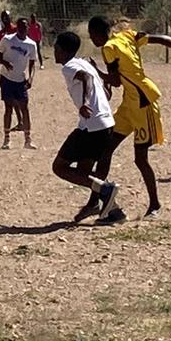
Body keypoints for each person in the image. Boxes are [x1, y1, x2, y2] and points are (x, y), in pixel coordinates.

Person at [87, 14, 171, 219]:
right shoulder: (127, 35)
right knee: (106, 149)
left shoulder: (108, 48)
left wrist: (96, 72)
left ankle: (155, 204)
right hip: (129, 104)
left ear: (96, 34)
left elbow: (116, 80)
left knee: (140, 158)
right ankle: (96, 201)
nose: (92, 40)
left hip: (143, 102)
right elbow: (160, 38)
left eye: (91, 36)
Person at [51, 31, 124, 224]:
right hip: (105, 124)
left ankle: (106, 190)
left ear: (63, 50)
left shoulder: (70, 67)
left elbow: (87, 80)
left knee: (59, 167)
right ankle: (113, 211)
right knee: (84, 170)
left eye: (56, 47)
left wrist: (84, 103)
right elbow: (104, 91)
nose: (54, 51)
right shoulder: (84, 63)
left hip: (92, 126)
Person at [0, 17, 40, 149]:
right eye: (20, 27)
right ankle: (6, 139)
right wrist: (5, 63)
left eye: (25, 27)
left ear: (28, 29)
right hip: (7, 78)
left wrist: (31, 78)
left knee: (24, 108)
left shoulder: (31, 44)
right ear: (17, 28)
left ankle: (27, 139)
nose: (22, 30)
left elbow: (33, 63)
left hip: (20, 80)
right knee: (8, 108)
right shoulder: (7, 40)